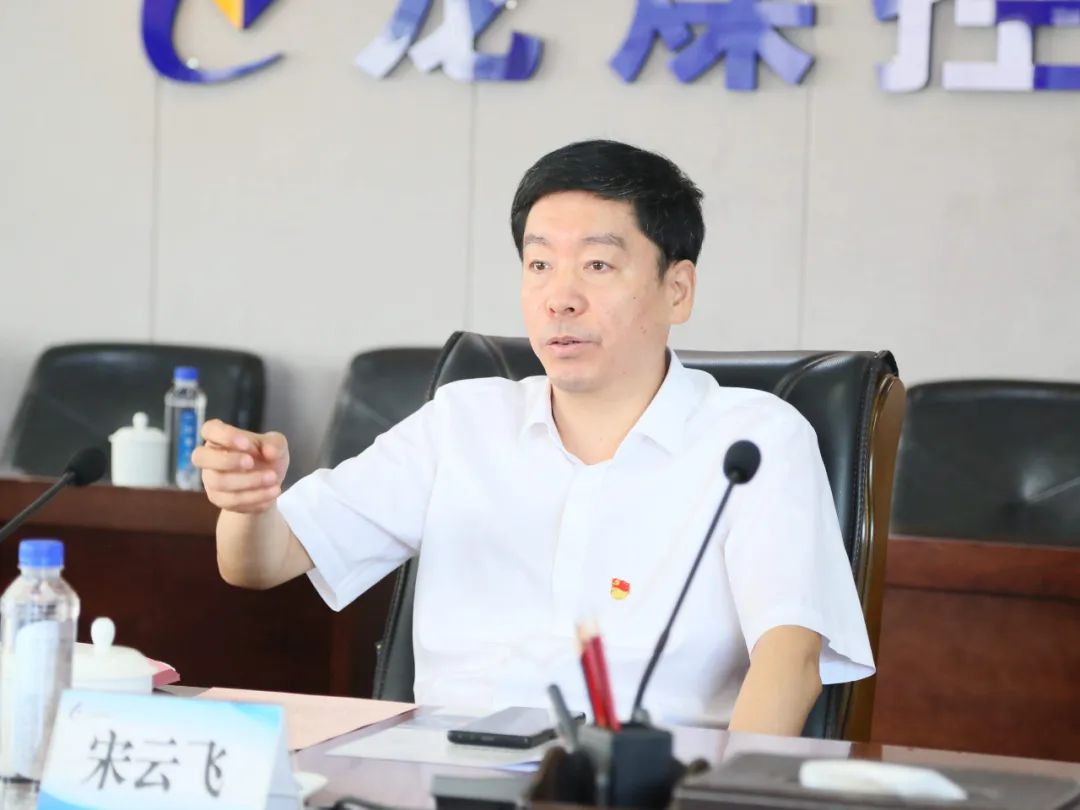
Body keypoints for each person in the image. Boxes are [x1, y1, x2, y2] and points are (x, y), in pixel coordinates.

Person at [193, 139, 873, 734]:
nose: (560, 297)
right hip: (440, 774)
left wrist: (720, 797)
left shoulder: (754, 440)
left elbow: (791, 659)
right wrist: (249, 506)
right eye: (539, 265)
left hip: (647, 783)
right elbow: (260, 564)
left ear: (678, 290)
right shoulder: (463, 422)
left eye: (598, 265)